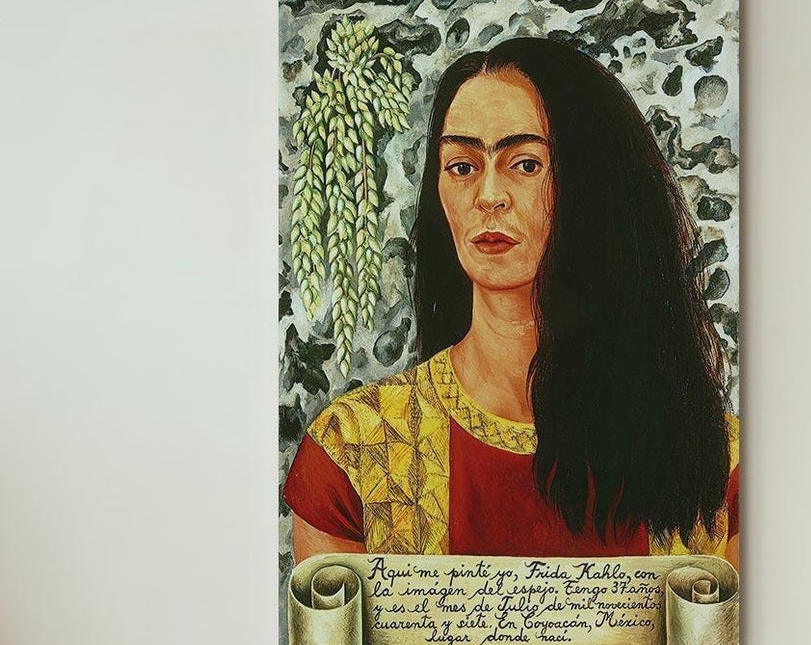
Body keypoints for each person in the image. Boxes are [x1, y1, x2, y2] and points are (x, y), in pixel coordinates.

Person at [284, 36, 739, 568]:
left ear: (594, 186)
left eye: (525, 164)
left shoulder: (716, 462)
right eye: (462, 166)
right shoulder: (352, 452)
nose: (488, 196)